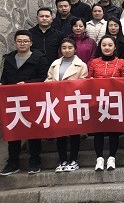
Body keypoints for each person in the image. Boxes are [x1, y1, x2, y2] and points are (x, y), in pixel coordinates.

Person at [0, 31, 49, 175]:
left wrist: (27, 84)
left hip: (32, 99)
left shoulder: (39, 58)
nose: (22, 44)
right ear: (15, 43)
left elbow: (43, 78)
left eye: (25, 41)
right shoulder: (9, 59)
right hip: (13, 101)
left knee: (33, 131)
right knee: (13, 131)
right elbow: (5, 77)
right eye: (19, 41)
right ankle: (12, 162)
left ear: (31, 43)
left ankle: (35, 161)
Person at [46, 38, 88, 172]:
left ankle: (74, 160)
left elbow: (84, 82)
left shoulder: (81, 65)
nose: (67, 50)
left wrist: (69, 86)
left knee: (74, 132)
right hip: (57, 101)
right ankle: (62, 160)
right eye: (64, 48)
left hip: (73, 101)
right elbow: (48, 79)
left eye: (70, 47)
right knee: (61, 132)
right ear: (60, 49)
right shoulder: (55, 64)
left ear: (75, 49)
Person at [88, 35, 124, 170]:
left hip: (115, 101)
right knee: (98, 130)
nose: (107, 48)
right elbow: (88, 79)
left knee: (113, 130)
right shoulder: (94, 62)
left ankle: (112, 157)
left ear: (115, 47)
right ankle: (99, 158)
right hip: (98, 101)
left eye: (110, 45)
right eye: (104, 45)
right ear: (100, 47)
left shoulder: (121, 62)